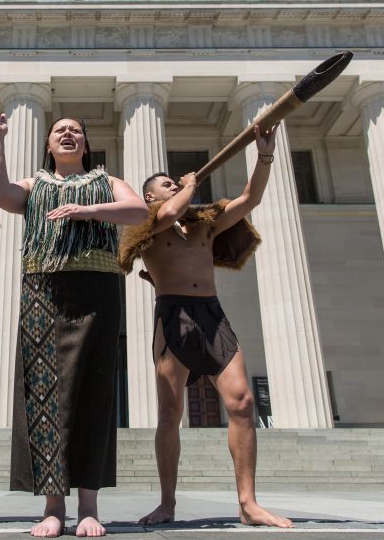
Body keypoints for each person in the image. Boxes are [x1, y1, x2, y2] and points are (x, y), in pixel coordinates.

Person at [0, 94, 148, 538]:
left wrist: (87, 210)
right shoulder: (35, 185)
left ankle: (89, 505)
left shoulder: (106, 181)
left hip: (96, 290)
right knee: (42, 394)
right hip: (43, 290)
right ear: (49, 145)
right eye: (60, 130)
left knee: (94, 393)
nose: (68, 133)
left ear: (85, 143)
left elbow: (140, 210)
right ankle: (53, 506)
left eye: (75, 129)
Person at [118, 125, 293, 529]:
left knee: (242, 402)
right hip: (172, 316)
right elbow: (169, 214)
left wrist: (264, 156)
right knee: (170, 411)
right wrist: (190, 185)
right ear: (150, 195)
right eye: (166, 182)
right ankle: (167, 503)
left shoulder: (204, 224)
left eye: (174, 181)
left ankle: (248, 503)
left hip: (211, 314)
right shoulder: (147, 223)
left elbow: (250, 198)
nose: (173, 183)